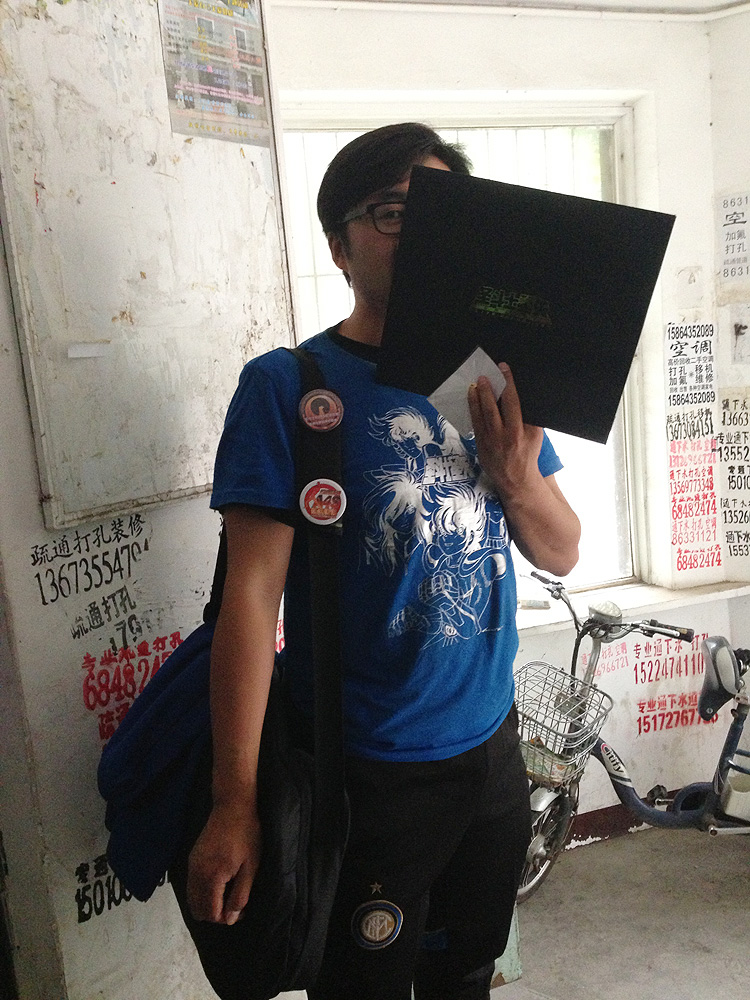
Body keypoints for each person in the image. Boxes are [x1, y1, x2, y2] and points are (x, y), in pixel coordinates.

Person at [186, 122, 581, 1000]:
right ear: (340, 245)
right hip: (364, 772)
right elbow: (250, 599)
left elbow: (561, 548)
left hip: (491, 752)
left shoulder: (485, 382)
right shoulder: (291, 386)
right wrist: (234, 801)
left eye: (442, 214)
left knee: (465, 975)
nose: (420, 233)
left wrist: (517, 478)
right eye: (393, 213)